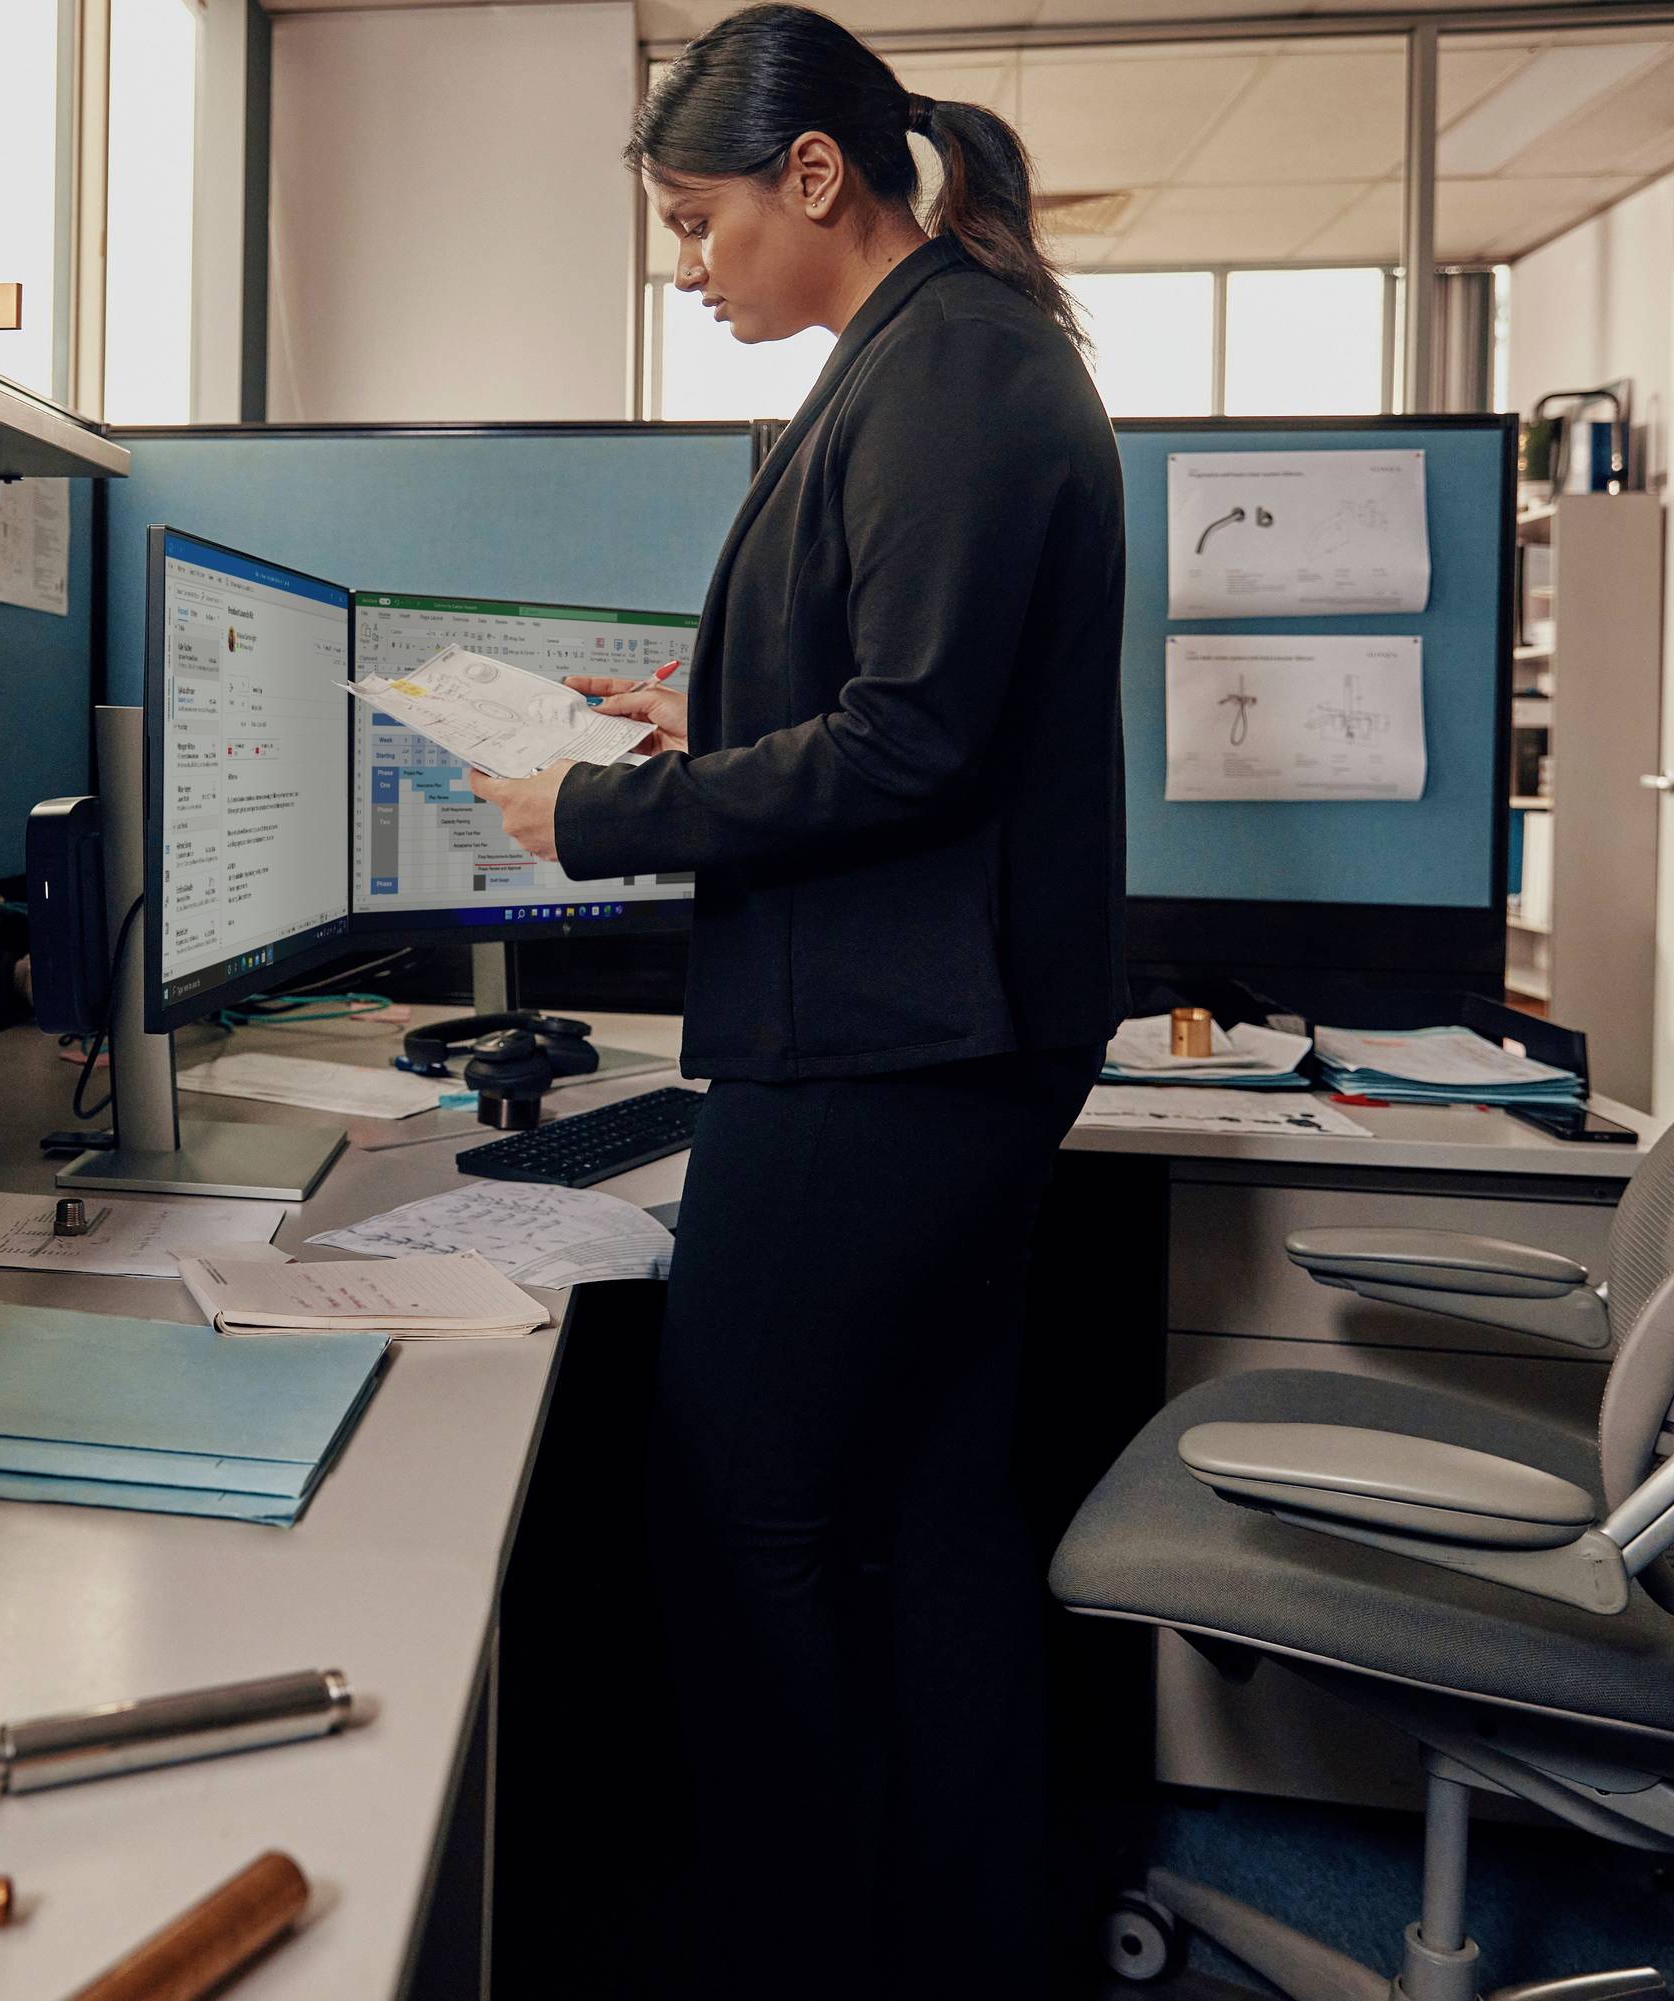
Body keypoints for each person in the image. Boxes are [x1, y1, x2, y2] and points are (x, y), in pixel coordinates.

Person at [465, 7, 1126, 1989]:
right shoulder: (931, 363)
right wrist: (711, 712)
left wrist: (602, 808)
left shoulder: (955, 376)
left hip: (889, 1046)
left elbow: (918, 742)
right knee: (922, 1502)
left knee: (736, 1512)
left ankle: (787, 1942)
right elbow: (897, 682)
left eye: (697, 220)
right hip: (923, 1032)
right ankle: (943, 1937)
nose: (689, 265)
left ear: (813, 178)